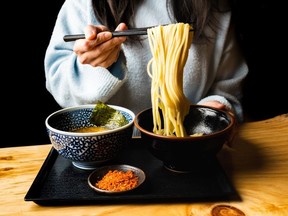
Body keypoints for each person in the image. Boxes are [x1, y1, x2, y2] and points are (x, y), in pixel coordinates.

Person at [44, 0, 248, 126]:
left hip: (186, 144)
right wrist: (98, 66)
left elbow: (227, 88)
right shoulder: (84, 3)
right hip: (107, 145)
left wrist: (214, 110)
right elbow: (59, 86)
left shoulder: (214, 7)